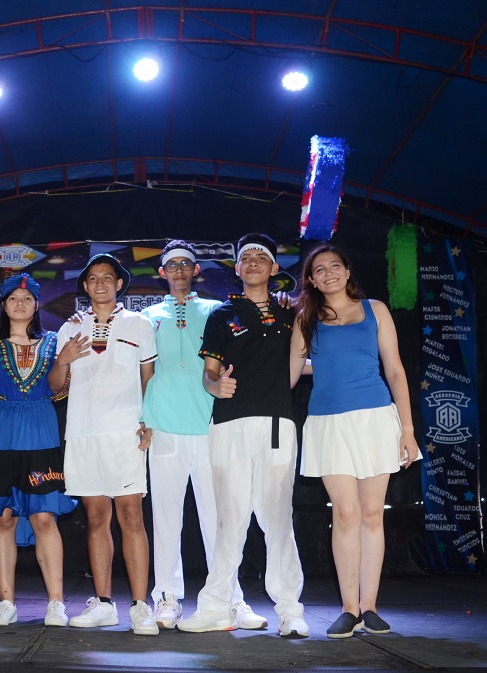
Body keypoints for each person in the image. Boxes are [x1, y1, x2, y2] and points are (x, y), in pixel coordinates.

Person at [178, 233, 308, 638]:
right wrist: (214, 387)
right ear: (237, 269)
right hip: (230, 424)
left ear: (273, 269)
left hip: (276, 424)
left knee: (277, 519)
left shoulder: (291, 315)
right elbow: (210, 372)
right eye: (246, 257)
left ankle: (290, 609)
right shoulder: (221, 316)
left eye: (261, 257)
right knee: (229, 520)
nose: (253, 262)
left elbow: (304, 362)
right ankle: (216, 606)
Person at [290, 244, 419, 638]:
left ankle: (370, 606)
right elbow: (289, 375)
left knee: (370, 513)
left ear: (347, 271)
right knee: (344, 513)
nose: (328, 273)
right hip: (328, 423)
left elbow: (395, 371)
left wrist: (408, 429)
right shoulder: (306, 318)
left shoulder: (376, 310)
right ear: (311, 280)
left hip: (376, 419)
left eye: (335, 266)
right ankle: (349, 608)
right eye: (319, 269)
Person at [141, 241, 267, 631]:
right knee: (165, 519)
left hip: (211, 427)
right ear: (161, 273)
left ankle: (230, 598)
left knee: (220, 519)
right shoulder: (146, 317)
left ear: (196, 271)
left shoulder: (217, 311)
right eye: (171, 265)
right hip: (162, 428)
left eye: (186, 265)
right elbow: (143, 373)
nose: (179, 270)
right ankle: (166, 597)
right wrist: (143, 417)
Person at [48, 253, 159, 636]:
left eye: (107, 277)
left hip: (125, 433)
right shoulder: (69, 328)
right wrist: (62, 360)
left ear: (119, 284)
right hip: (82, 433)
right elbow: (56, 387)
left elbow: (149, 378)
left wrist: (149, 421)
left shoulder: (139, 324)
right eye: (93, 278)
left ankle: (141, 606)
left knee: (131, 517)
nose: (100, 284)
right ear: (84, 286)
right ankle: (105, 604)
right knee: (96, 519)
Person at [0, 273, 77, 628]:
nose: (20, 304)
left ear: (37, 305)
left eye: (27, 298)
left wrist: (64, 361)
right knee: (3, 516)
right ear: (3, 306)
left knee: (44, 517)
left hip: (39, 431)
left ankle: (56, 602)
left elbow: (60, 390)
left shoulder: (54, 342)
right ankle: (6, 602)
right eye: (13, 298)